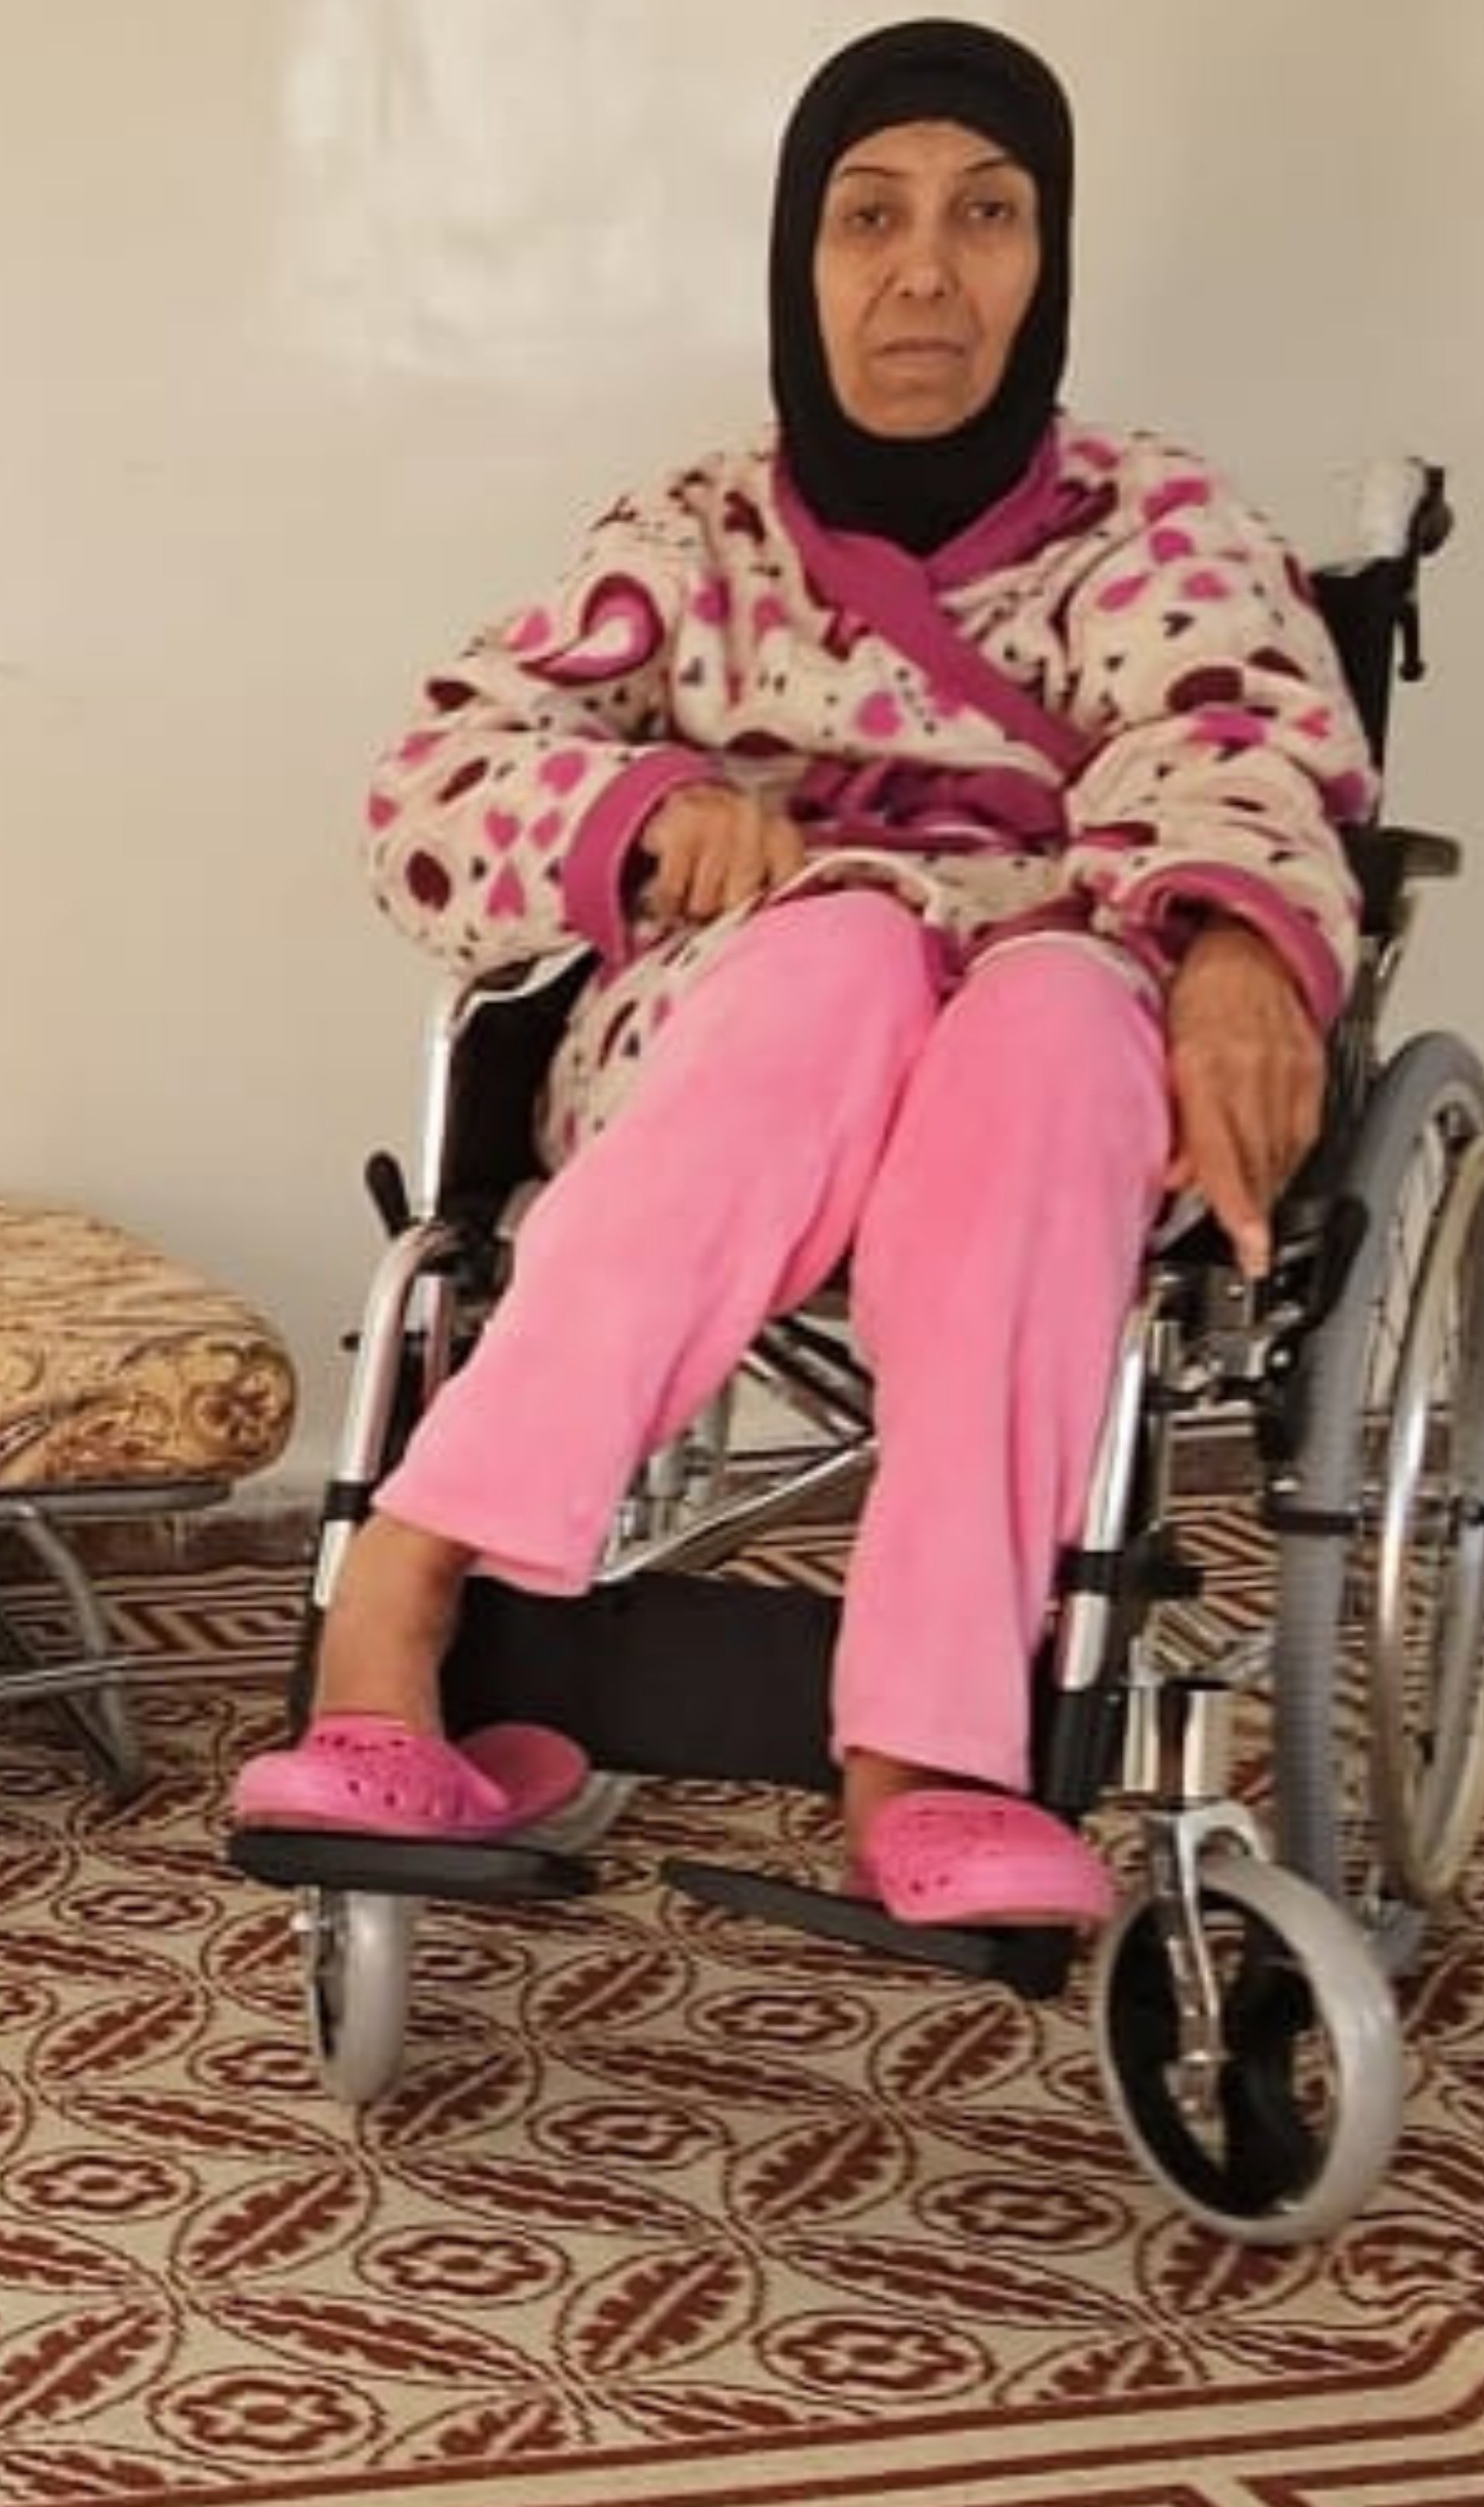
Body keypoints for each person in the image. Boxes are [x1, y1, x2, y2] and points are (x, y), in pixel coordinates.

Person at [228, 17, 1375, 1931]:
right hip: (739, 1033)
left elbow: (1234, 750)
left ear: (1047, 257)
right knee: (839, 954)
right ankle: (400, 1603)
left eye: (983, 215)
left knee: (1037, 1018)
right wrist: (650, 804)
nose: (923, 270)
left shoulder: (1158, 527)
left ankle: (923, 1754)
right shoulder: (688, 534)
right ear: (798, 259)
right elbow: (432, 782)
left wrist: (1238, 962)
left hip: (1048, 1039)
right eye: (867, 219)